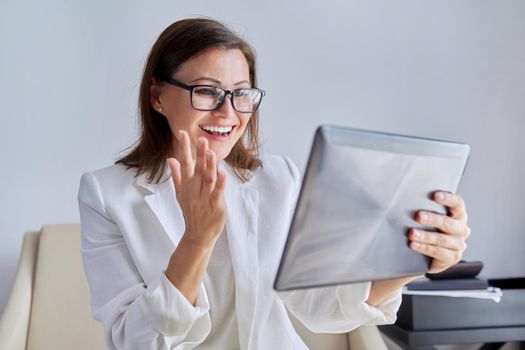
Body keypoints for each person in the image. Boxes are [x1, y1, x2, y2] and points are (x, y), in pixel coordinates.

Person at [78, 18, 471, 350]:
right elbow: (135, 339)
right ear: (157, 96)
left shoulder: (278, 179)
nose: (228, 112)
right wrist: (197, 239)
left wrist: (413, 260)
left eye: (241, 94)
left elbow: (320, 307)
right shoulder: (106, 194)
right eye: (207, 91)